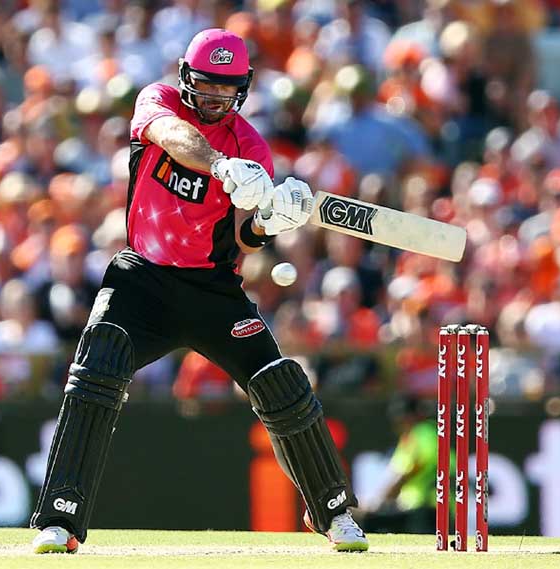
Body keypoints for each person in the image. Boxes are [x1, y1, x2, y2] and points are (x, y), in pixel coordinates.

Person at [30, 29, 368, 554]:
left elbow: (242, 239)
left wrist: (271, 221)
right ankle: (61, 519)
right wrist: (219, 166)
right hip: (142, 277)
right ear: (186, 77)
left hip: (214, 288)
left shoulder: (253, 147)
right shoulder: (158, 101)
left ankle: (334, 513)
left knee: (280, 384)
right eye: (206, 87)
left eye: (226, 91)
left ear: (244, 89)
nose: (214, 100)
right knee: (98, 364)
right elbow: (169, 136)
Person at [359, 395, 438, 534]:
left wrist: (380, 502)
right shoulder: (423, 433)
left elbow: (413, 468)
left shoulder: (421, 433)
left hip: (423, 507)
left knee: (368, 520)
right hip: (419, 506)